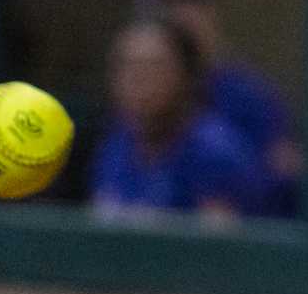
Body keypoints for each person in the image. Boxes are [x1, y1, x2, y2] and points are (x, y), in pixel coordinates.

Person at [133, 0, 302, 216]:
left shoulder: (248, 97)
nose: (178, 10)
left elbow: (283, 184)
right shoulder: (132, 101)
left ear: (214, 9)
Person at [91, 16, 265, 224]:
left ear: (185, 76)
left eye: (153, 66)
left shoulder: (215, 152)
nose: (138, 78)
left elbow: (222, 250)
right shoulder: (116, 145)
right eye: (127, 65)